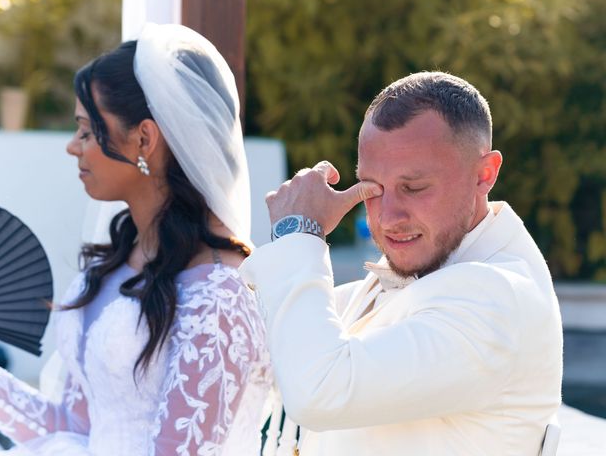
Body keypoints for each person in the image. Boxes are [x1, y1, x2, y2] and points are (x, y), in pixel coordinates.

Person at [0, 23, 271, 455]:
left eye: (88, 131)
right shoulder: (113, 265)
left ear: (144, 138)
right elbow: (70, 429)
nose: (74, 147)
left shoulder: (218, 294)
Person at [240, 71, 563, 455]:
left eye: (414, 188)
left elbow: (318, 391)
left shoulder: (496, 299)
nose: (388, 217)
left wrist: (299, 232)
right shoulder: (419, 269)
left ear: (484, 174)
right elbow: (275, 330)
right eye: (372, 189)